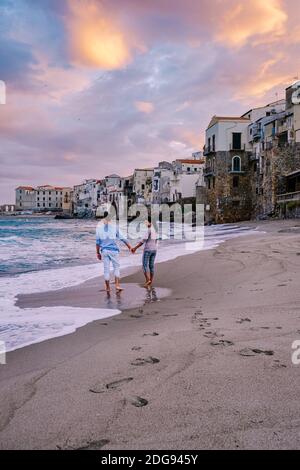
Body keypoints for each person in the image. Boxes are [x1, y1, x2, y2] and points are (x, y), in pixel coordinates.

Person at [96, 213, 132, 293]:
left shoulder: (99, 229)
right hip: (114, 251)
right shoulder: (114, 228)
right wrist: (129, 247)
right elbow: (123, 238)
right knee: (116, 268)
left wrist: (98, 253)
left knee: (106, 270)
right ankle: (117, 285)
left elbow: (97, 243)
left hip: (104, 251)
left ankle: (108, 287)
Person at [132, 217, 158, 287]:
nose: (145, 224)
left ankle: (147, 280)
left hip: (148, 250)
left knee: (144, 266)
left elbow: (142, 241)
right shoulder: (155, 230)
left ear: (150, 222)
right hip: (154, 250)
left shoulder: (149, 230)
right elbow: (156, 241)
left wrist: (135, 248)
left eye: (146, 222)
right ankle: (150, 281)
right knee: (151, 266)